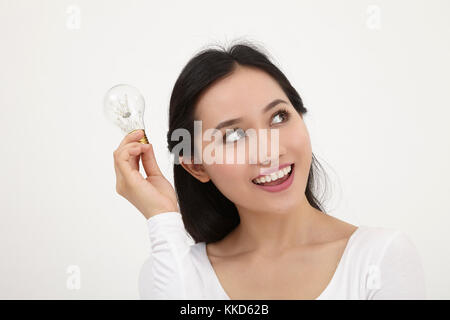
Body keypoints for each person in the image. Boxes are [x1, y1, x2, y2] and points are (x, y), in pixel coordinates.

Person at [112, 41, 427, 299]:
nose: (270, 151)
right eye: (234, 135)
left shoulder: (380, 258)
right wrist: (162, 216)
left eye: (278, 117)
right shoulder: (169, 271)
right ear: (196, 165)